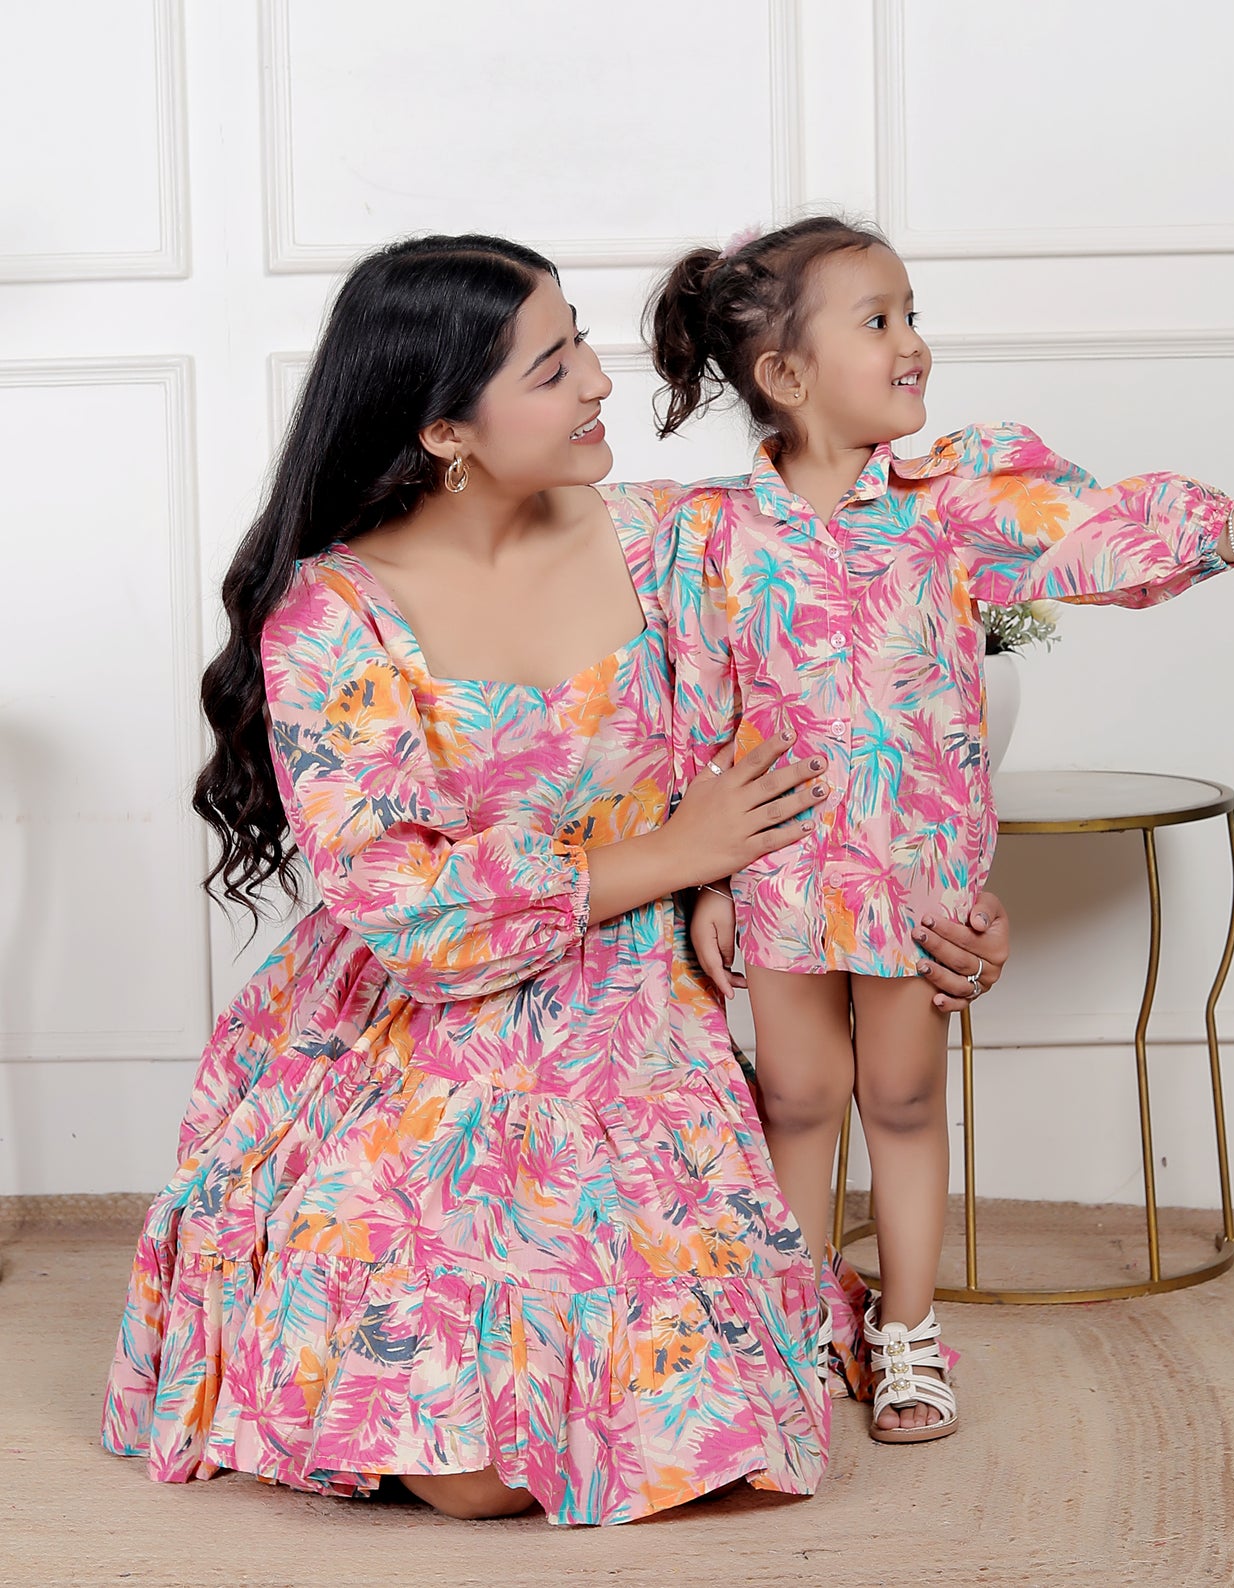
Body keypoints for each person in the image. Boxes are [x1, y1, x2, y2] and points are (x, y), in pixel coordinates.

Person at [100, 233, 1012, 1523]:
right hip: (424, 1028)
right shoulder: (334, 613)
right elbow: (406, 907)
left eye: (580, 337)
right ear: (444, 432)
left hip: (631, 1008)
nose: (598, 379)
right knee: (461, 1460)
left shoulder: (664, 542)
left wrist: (946, 898)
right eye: (550, 366)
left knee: (656, 1441)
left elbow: (855, 710)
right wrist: (674, 854)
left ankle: (804, 1308)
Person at [647, 214, 1234, 1445]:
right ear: (784, 377)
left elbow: (1097, 530)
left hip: (915, 873)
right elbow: (696, 711)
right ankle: (791, 1329)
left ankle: (905, 1335)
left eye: (913, 314)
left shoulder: (949, 499)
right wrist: (706, 882)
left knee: (899, 1098)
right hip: (778, 867)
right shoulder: (711, 536)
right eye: (880, 321)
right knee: (795, 1098)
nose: (915, 345)